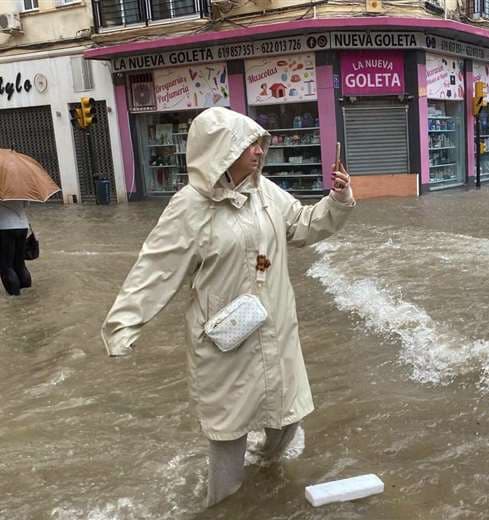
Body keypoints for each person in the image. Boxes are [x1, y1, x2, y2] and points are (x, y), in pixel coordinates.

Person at [101, 107, 355, 507]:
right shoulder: (190, 207)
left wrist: (337, 200)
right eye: (248, 144)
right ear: (222, 150)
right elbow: (155, 268)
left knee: (287, 416)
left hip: (275, 327)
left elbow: (303, 224)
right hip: (225, 339)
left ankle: (265, 476)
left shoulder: (265, 193)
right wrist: (124, 325)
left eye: (259, 143)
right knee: (228, 432)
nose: (258, 151)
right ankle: (224, 506)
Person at [0, 200, 32, 296]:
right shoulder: (19, 187)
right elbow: (26, 204)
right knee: (20, 263)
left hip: (4, 227)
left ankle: (15, 296)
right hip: (22, 226)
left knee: (6, 266)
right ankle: (27, 291)